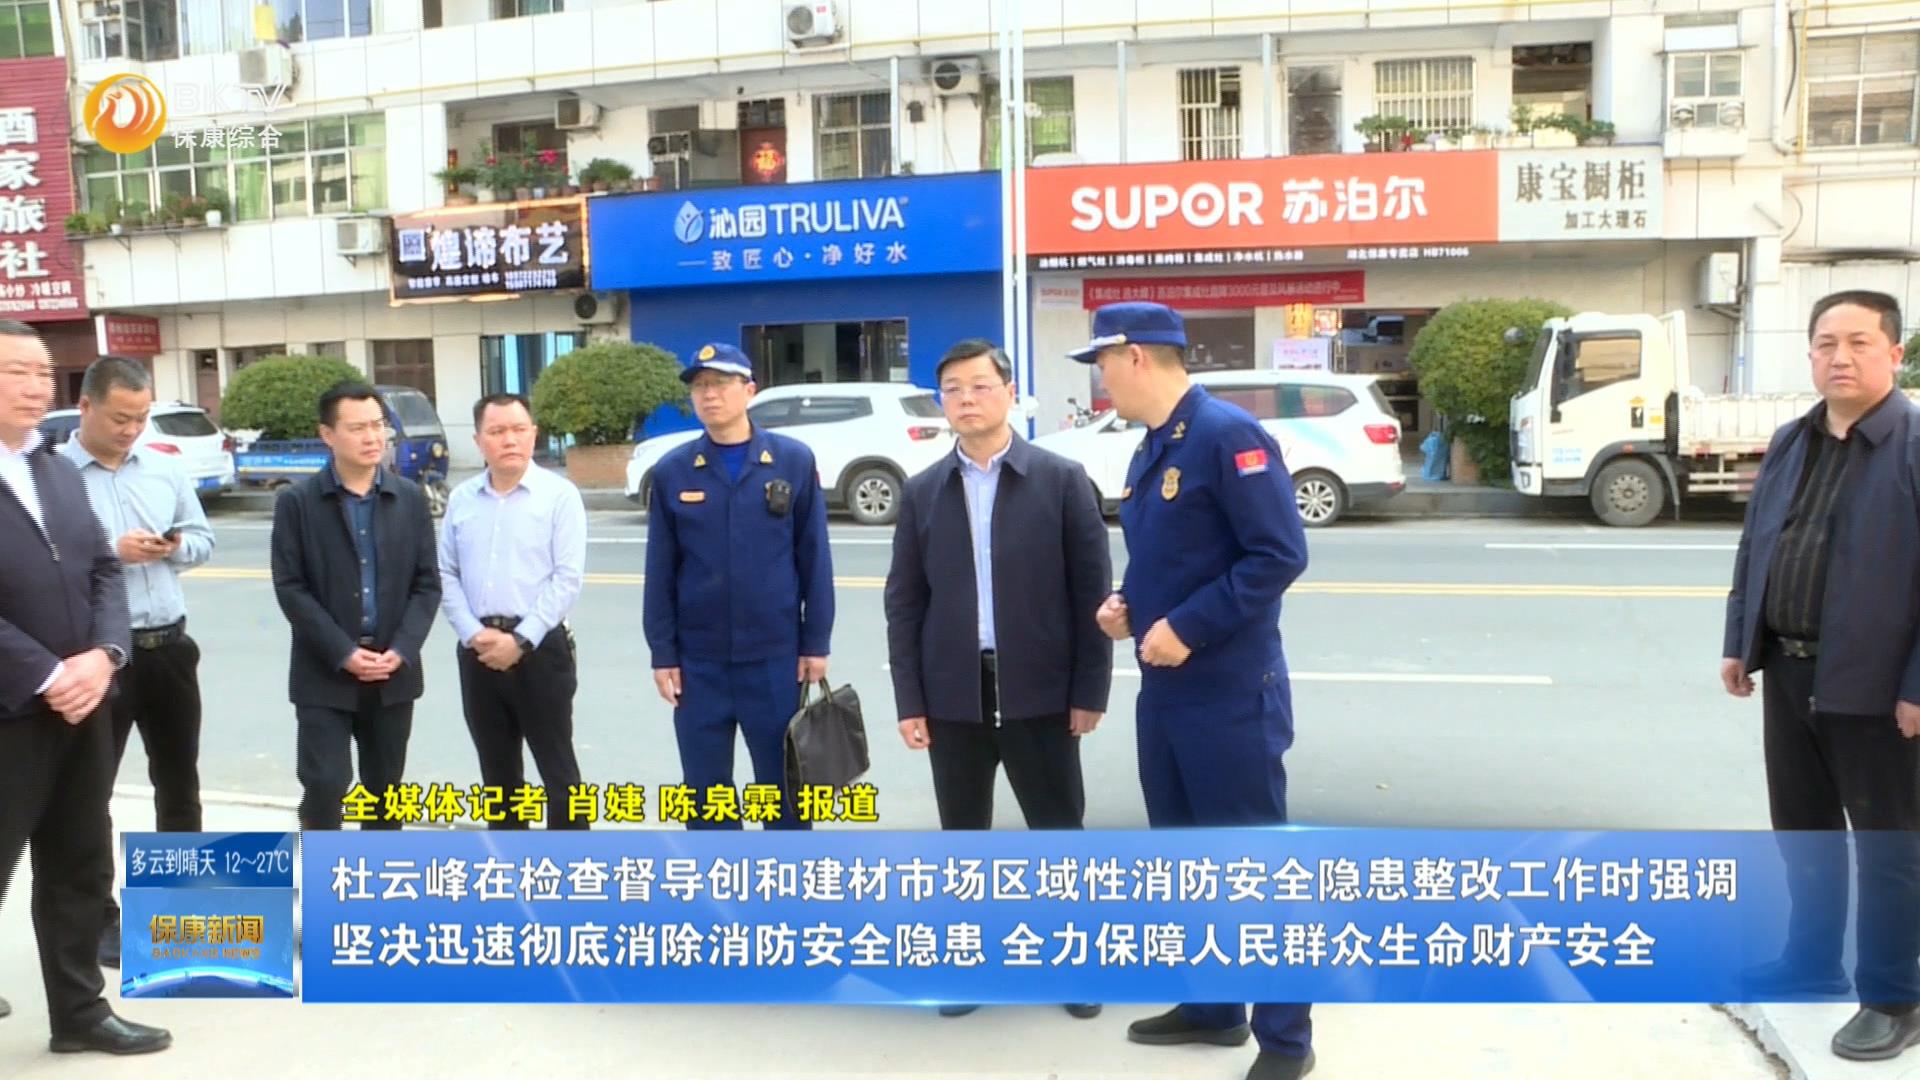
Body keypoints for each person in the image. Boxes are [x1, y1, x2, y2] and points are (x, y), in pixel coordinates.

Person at [1075, 302, 1316, 1080]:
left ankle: (1286, 1040)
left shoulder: (1227, 436)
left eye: (1103, 364)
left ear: (1136, 357)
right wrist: (1128, 605)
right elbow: (1172, 555)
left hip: (1229, 692)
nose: (1101, 381)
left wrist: (1188, 625)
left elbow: (1277, 554)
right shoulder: (1157, 445)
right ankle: (1214, 1008)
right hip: (1167, 692)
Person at [885, 339, 1113, 1020]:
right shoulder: (924, 491)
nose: (966, 400)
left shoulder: (1061, 480)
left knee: (1057, 831)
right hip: (952, 692)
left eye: (980, 386)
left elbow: (1092, 594)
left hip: (1040, 691)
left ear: (1010, 394)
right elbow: (905, 603)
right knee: (963, 837)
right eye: (952, 389)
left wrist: (1089, 691)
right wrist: (910, 699)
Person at [1721, 289, 1920, 1062]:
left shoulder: (1910, 445)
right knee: (1805, 831)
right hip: (1789, 670)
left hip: (1878, 689)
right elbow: (1758, 544)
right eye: (1826, 343)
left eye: (1859, 342)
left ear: (1894, 353)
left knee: (1889, 847)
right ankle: (1810, 964)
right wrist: (1740, 639)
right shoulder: (1793, 439)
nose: (1840, 357)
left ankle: (1894, 997)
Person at [0, 320, 169, 1054]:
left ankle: (79, 1014)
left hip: (81, 703)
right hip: (11, 706)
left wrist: (104, 655)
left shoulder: (54, 469)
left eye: (43, 372)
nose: (37, 386)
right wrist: (45, 672)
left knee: (78, 860)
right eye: (16, 371)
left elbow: (103, 569)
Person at [60, 357, 216, 970]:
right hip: (101, 658)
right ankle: (103, 919)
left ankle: (180, 908)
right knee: (91, 792)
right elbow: (44, 564)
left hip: (169, 648)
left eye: (142, 417)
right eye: (120, 418)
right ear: (86, 407)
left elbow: (202, 539)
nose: (131, 430)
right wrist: (112, 552)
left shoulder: (163, 468)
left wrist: (173, 546)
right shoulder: (55, 477)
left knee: (179, 783)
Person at [643, 343, 833, 830]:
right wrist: (663, 653)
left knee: (784, 790)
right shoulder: (673, 470)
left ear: (749, 391)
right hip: (698, 664)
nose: (709, 395)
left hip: (774, 659)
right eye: (700, 386)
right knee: (706, 796)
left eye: (721, 384)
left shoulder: (791, 461)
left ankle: (786, 875)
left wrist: (816, 642)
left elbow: (814, 558)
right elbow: (661, 569)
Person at [270, 382, 440, 831]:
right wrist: (343, 652)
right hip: (323, 672)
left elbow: (427, 585)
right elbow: (291, 587)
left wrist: (401, 649)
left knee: (385, 793)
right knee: (325, 785)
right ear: (328, 435)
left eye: (378, 425)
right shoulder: (297, 503)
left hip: (391, 672)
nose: (372, 437)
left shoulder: (409, 498)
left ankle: (376, 874)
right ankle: (324, 871)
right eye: (358, 428)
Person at [439, 393, 589, 829]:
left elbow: (567, 578)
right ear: (478, 440)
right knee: (498, 776)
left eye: (519, 429)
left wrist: (521, 640)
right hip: (478, 651)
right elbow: (445, 572)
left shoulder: (559, 496)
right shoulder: (462, 499)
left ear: (534, 434)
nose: (510, 440)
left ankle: (575, 863)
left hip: (541, 649)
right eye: (497, 431)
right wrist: (472, 633)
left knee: (559, 772)